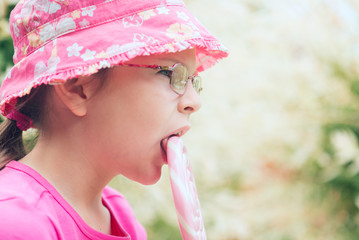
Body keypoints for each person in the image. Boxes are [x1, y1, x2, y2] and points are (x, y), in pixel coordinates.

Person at [0, 0, 228, 239]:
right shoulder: (16, 222)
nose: (194, 101)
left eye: (194, 80)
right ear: (77, 88)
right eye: (169, 73)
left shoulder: (118, 213)